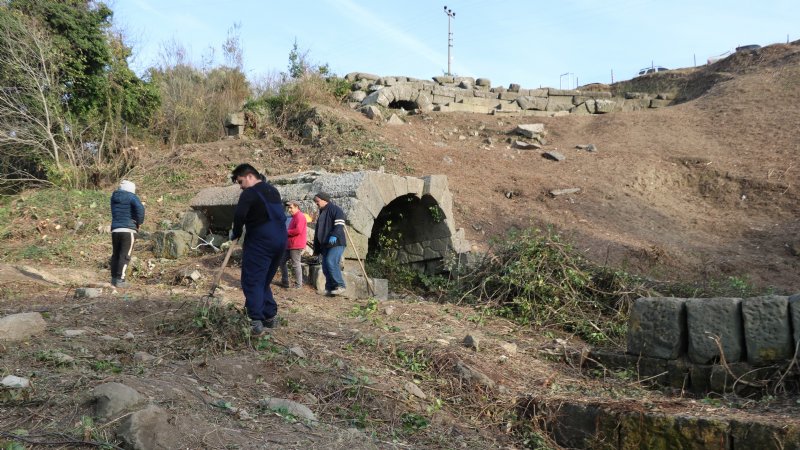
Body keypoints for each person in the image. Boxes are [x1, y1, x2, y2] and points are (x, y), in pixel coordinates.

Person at [229, 164, 287, 335]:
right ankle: (269, 316)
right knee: (263, 280)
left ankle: (254, 320)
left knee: (253, 279)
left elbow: (239, 215)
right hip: (280, 240)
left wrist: (236, 232)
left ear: (249, 176)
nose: (240, 186)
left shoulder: (249, 193)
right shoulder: (273, 190)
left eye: (240, 182)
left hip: (261, 240)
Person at [110, 180, 145, 288]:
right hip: (128, 230)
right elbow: (140, 209)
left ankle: (114, 278)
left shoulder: (114, 197)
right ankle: (120, 280)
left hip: (115, 230)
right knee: (125, 256)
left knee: (116, 254)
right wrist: (139, 222)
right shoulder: (132, 197)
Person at [312, 192, 347, 296]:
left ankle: (341, 285)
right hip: (325, 245)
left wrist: (334, 235)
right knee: (326, 266)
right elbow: (318, 232)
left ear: (324, 200)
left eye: (317, 201)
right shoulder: (322, 212)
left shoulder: (335, 209)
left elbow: (339, 224)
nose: (316, 203)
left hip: (336, 242)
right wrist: (316, 250)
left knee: (331, 262)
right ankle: (330, 289)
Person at [279, 201, 307, 289]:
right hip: (290, 244)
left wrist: (285, 232)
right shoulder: (294, 217)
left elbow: (298, 230)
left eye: (291, 207)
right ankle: (285, 282)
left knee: (296, 264)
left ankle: (299, 285)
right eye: (289, 208)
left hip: (296, 244)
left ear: (296, 207)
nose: (289, 209)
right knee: (281, 261)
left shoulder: (300, 217)